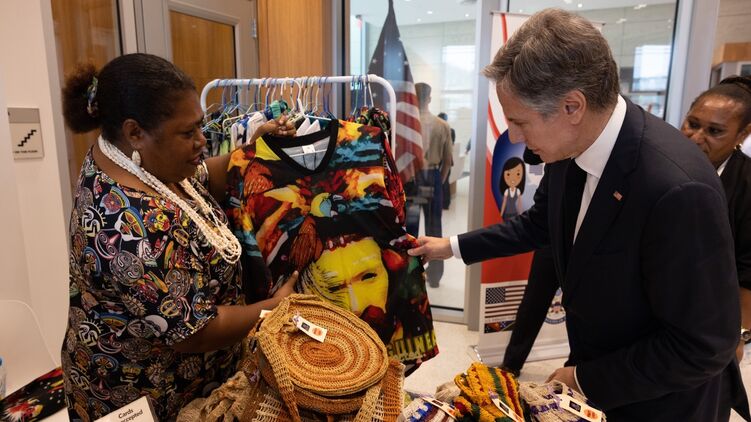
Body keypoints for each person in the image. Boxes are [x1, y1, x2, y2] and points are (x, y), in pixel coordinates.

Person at [408, 8, 750, 421]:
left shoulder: (677, 189)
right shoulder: (570, 146)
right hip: (600, 366)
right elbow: (539, 223)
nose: (515, 138)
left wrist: (585, 379)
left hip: (661, 401)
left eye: (519, 122)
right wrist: (451, 246)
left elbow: (703, 345)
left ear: (572, 106)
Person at [60, 53, 297, 421]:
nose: (202, 141)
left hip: (192, 380)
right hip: (143, 398)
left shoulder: (133, 160)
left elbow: (203, 177)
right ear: (135, 132)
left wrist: (250, 153)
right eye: (188, 133)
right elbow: (194, 331)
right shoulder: (129, 226)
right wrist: (273, 308)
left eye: (200, 126)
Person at [681, 75, 751, 363]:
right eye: (692, 124)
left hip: (714, 319)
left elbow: (748, 270)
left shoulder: (746, 185)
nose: (697, 138)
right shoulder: (662, 162)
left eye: (714, 131)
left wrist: (737, 333)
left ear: (742, 135)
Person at [415, 82, 453, 287]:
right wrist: (440, 180)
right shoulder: (442, 125)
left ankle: (410, 274)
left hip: (412, 177)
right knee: (434, 228)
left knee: (409, 229)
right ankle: (435, 277)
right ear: (429, 98)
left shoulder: (407, 124)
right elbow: (447, 161)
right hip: (433, 175)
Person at [438, 112, 456, 210]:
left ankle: (445, 203)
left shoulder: (449, 131)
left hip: (443, 159)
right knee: (445, 182)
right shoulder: (451, 130)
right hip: (444, 159)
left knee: (444, 182)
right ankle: (445, 203)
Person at [498, 156, 525, 220]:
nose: (513, 178)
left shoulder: (518, 191)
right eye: (508, 174)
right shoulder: (507, 191)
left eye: (518, 174)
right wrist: (501, 214)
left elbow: (519, 204)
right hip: (507, 214)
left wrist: (521, 214)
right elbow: (504, 203)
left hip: (515, 213)